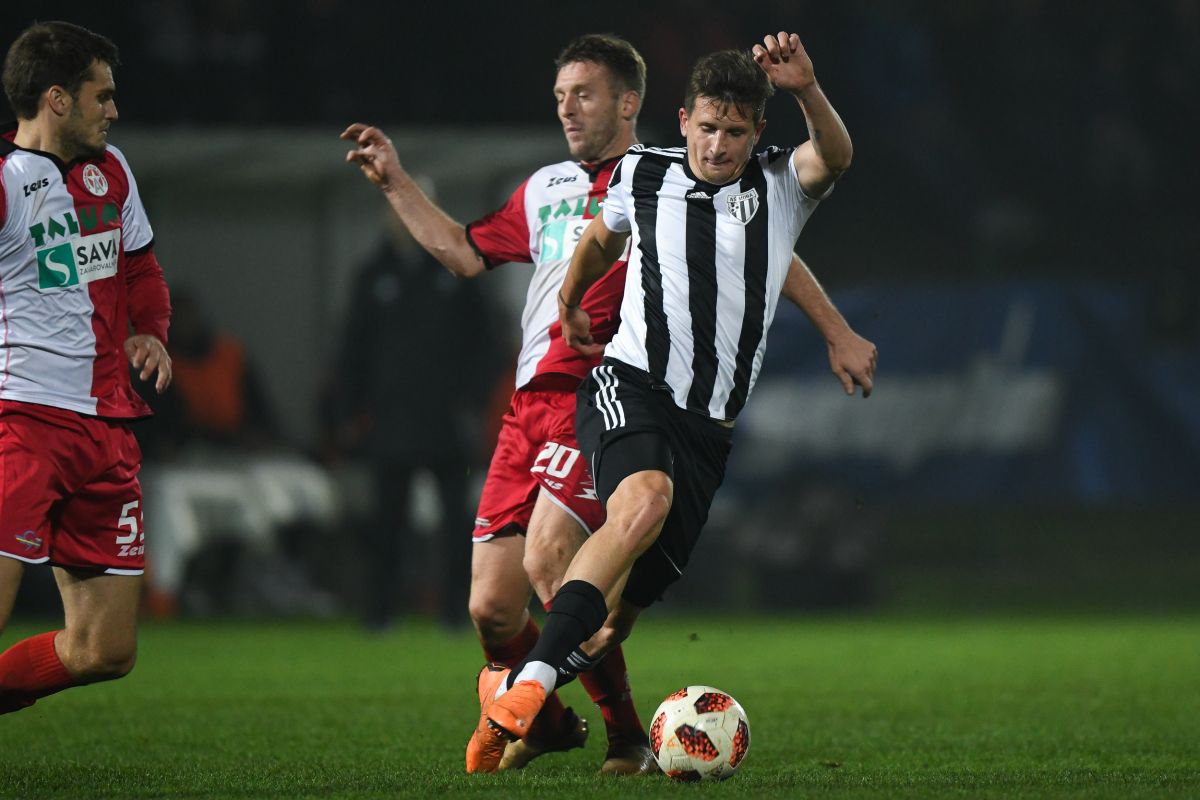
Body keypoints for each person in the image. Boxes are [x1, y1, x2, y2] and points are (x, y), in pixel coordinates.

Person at [466, 32, 875, 772]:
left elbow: (837, 155)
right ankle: (530, 689)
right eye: (708, 127)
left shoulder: (778, 187)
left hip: (708, 430)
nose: (719, 146)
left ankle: (542, 702)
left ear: (757, 131)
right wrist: (570, 300)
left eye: (736, 132)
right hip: (630, 386)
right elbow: (600, 239)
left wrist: (808, 89)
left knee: (613, 623)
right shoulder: (643, 172)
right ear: (684, 120)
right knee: (641, 504)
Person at [342, 35, 656, 774]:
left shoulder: (662, 181)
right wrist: (395, 182)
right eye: (560, 97)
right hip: (526, 409)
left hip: (598, 397)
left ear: (628, 102)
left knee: (554, 565)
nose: (567, 109)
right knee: (490, 608)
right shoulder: (545, 186)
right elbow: (462, 251)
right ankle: (548, 724)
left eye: (583, 94)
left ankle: (628, 738)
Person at [0, 21, 173, 714]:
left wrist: (152, 331)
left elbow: (142, 268)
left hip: (106, 429)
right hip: (23, 421)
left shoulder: (113, 170)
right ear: (57, 99)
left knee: (105, 649)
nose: (114, 110)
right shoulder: (7, 183)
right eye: (102, 96)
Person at [326, 211, 499, 630]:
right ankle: (381, 611)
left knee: (457, 520)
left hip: (446, 418)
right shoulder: (374, 274)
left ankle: (456, 609)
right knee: (387, 520)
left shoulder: (457, 268)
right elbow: (353, 348)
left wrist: (470, 400)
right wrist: (347, 412)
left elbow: (487, 341)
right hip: (392, 417)